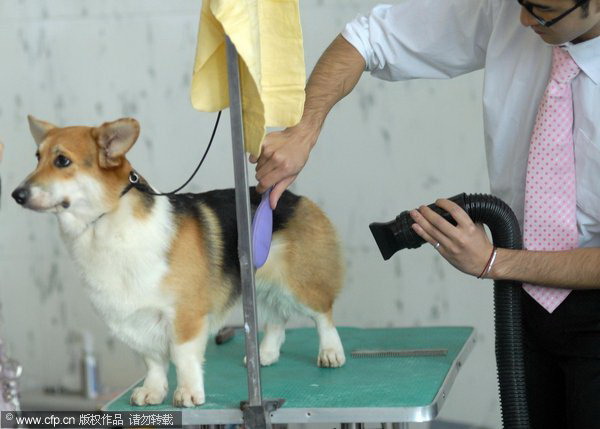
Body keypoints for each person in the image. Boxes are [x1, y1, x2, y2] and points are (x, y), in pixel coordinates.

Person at [251, 0, 600, 427]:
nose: (524, 21)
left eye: (542, 9)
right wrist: (304, 130)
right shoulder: (508, 11)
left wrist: (495, 261)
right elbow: (368, 37)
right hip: (525, 306)